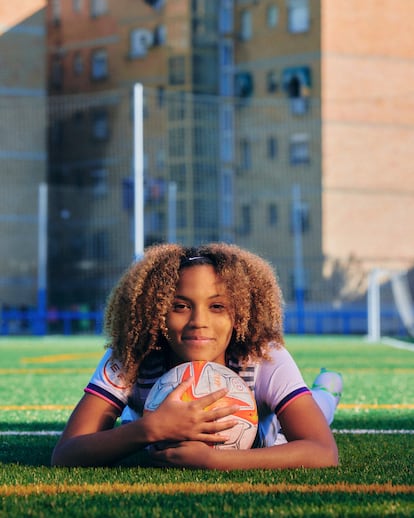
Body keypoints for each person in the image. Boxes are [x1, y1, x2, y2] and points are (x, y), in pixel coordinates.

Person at [51, 243, 343, 469]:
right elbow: (65, 454)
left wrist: (215, 461)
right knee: (131, 423)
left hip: (267, 434)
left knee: (318, 409)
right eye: (180, 306)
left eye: (217, 306)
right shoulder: (132, 355)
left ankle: (327, 389)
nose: (198, 321)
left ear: (239, 314)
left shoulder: (263, 356)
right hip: (145, 422)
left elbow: (323, 451)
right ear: (157, 311)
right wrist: (150, 429)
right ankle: (135, 416)